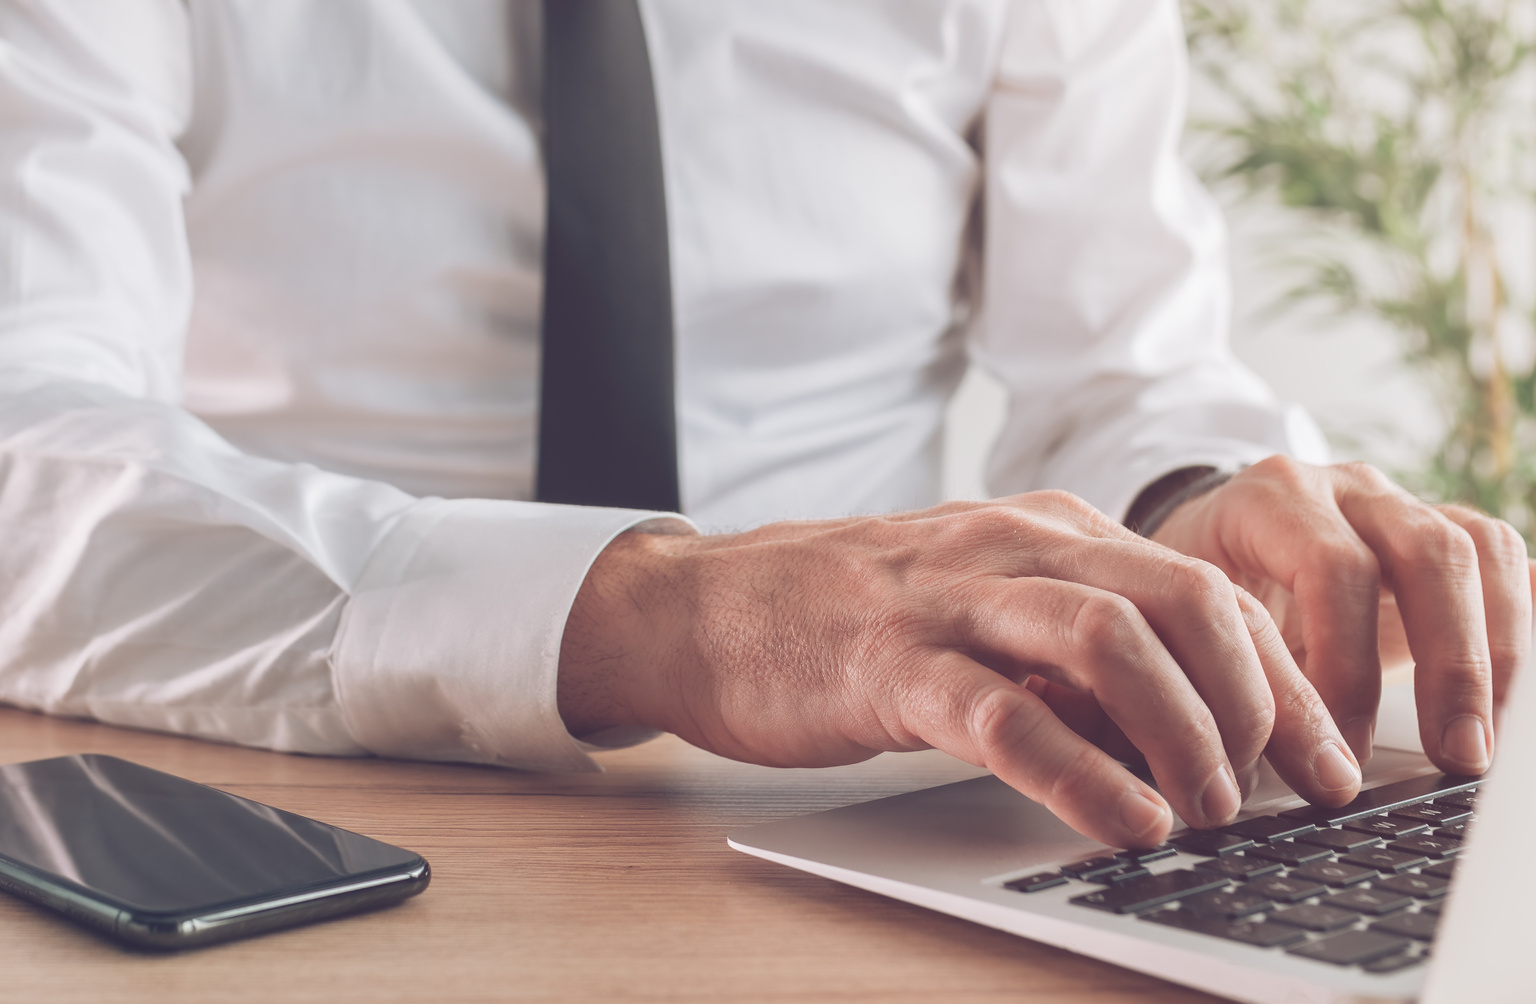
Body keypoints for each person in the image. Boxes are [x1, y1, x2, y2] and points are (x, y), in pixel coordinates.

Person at [0, 0, 1526, 851]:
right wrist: (667, 613)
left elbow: (1118, 366)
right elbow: (24, 443)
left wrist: (1191, 500)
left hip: (889, 816)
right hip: (291, 801)